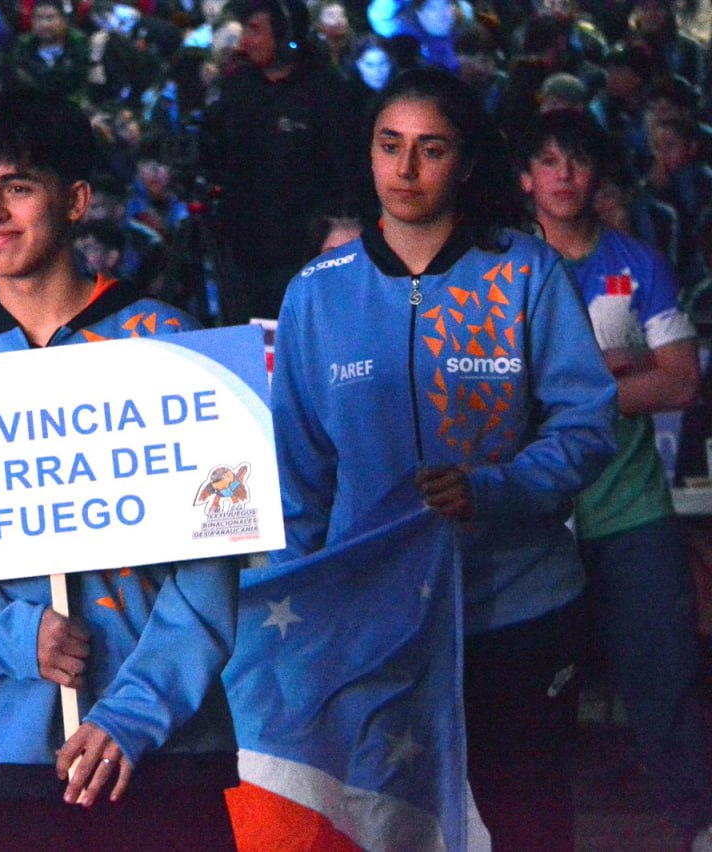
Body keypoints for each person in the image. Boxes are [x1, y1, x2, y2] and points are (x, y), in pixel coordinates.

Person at [0, 90, 238, 850]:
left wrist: (133, 714)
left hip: (161, 755)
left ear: (77, 200)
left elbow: (213, 563)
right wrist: (13, 638)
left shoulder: (173, 345)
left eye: (17, 187)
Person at [269, 68, 617, 850]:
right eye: (389, 145)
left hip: (516, 610)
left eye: (431, 149)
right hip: (376, 624)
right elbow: (298, 478)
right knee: (389, 830)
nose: (406, 168)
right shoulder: (318, 293)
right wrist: (305, 617)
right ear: (367, 154)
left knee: (527, 825)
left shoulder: (525, 272)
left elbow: (587, 426)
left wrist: (492, 489)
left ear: (465, 163)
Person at [517, 108, 712, 846]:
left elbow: (681, 381)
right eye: (548, 160)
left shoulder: (638, 263)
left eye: (577, 159)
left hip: (631, 511)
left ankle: (698, 823)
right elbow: (494, 395)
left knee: (667, 679)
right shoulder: (500, 269)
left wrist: (564, 392)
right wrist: (616, 372)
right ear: (525, 178)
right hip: (531, 521)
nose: (564, 174)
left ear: (597, 172)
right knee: (528, 704)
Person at [199, 0, 361, 323]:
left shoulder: (328, 91)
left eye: (255, 30)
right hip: (242, 249)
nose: (245, 42)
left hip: (304, 251)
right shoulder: (237, 87)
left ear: (287, 34)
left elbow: (348, 171)